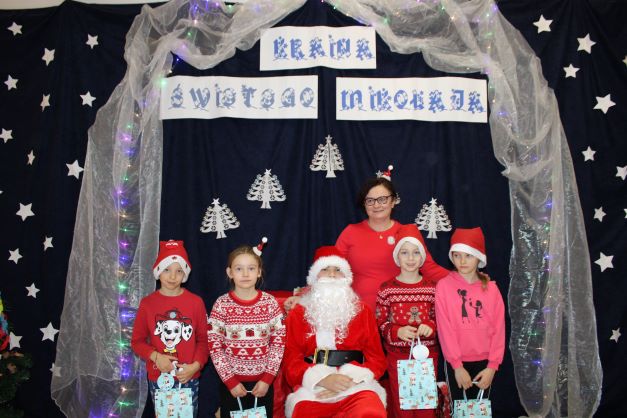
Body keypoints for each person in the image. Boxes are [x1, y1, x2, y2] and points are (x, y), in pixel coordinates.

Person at [283, 246, 387, 418]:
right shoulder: (298, 313)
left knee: (370, 413)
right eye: (325, 269)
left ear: (346, 276)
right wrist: (322, 380)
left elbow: (377, 360)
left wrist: (349, 381)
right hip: (314, 388)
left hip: (356, 385)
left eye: (338, 270)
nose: (332, 274)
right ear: (314, 276)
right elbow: (291, 362)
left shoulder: (362, 311)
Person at [335, 169, 449, 310]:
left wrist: (462, 279)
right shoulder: (350, 232)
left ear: (393, 201)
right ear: (364, 204)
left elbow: (429, 268)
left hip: (399, 314)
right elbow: (332, 269)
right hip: (358, 312)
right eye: (370, 201)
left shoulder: (406, 233)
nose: (376, 205)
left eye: (382, 199)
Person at [131, 240, 209, 417]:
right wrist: (156, 357)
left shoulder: (196, 302)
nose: (172, 277)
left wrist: (195, 366)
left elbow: (204, 341)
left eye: (179, 271)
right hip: (160, 378)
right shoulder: (148, 304)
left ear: (185, 274)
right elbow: (137, 342)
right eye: (167, 270)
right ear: (158, 271)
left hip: (188, 377)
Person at [208, 244, 285, 418]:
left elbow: (278, 344)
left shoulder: (270, 303)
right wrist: (230, 381)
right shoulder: (221, 305)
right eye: (239, 269)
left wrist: (267, 379)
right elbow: (215, 347)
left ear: (259, 272)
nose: (245, 274)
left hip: (263, 384)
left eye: (251, 268)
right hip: (232, 385)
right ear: (230, 273)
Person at [435, 227, 505, 402]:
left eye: (468, 255)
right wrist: (457, 366)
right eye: (457, 255)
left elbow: (499, 329)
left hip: (485, 363)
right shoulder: (443, 286)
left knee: (480, 410)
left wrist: (492, 366)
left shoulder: (491, 289)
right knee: (458, 410)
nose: (462, 261)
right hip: (457, 363)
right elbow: (444, 329)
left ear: (479, 257)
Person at [376, 224, 439, 418]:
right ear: (397, 256)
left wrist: (431, 326)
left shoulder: (433, 288)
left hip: (427, 357)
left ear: (422, 256)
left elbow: (441, 318)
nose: (411, 258)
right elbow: (380, 323)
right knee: (402, 406)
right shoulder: (387, 289)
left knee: (426, 407)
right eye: (404, 252)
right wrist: (397, 331)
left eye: (415, 252)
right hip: (397, 358)